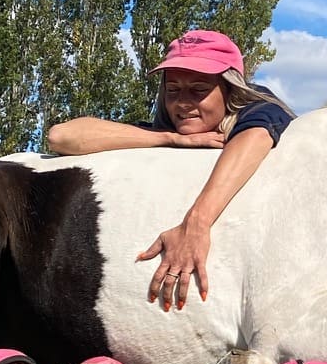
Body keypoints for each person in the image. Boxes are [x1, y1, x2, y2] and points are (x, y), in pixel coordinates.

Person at [46, 29, 292, 311]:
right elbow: (60, 137)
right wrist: (169, 138)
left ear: (232, 90)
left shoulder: (260, 114)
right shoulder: (167, 132)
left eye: (199, 90)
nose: (183, 103)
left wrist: (195, 224)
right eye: (173, 90)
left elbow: (257, 134)